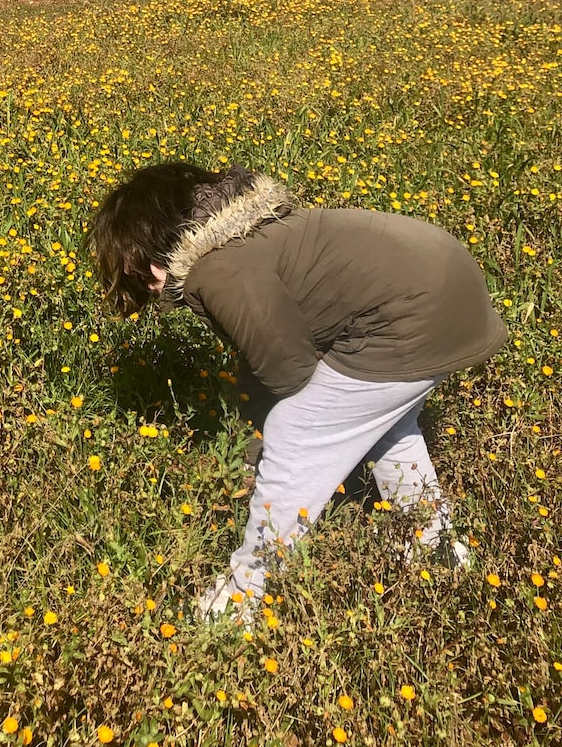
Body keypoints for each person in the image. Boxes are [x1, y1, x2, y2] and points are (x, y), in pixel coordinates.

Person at [87, 162, 507, 621]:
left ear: (149, 247)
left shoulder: (217, 270)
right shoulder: (248, 234)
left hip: (412, 314)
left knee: (298, 429)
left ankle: (244, 595)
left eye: (128, 260)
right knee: (376, 419)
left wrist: (264, 454)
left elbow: (290, 370)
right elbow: (270, 351)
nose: (133, 275)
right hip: (450, 289)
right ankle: (436, 546)